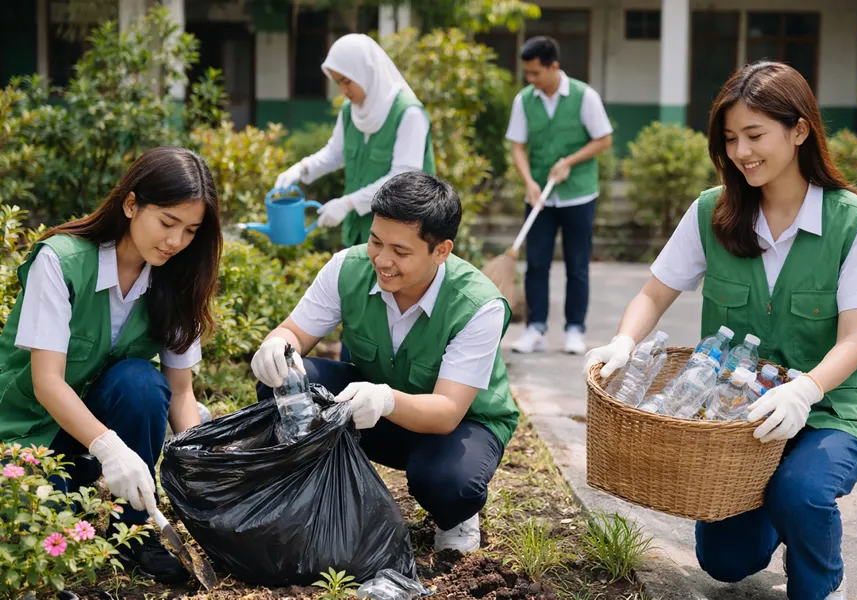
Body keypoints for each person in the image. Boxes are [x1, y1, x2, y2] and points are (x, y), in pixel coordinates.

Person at [583, 61, 857, 600]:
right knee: (725, 561)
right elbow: (654, 294)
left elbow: (855, 340)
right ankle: (783, 510)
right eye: (730, 139)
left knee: (803, 492)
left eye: (755, 135)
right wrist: (624, 342)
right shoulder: (714, 212)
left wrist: (804, 390)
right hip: (738, 413)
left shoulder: (853, 222)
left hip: (834, 404)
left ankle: (822, 578)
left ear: (799, 131)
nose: (741, 152)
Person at [251, 171, 519, 554]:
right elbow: (294, 332)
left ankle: (457, 515)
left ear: (441, 251)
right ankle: (318, 490)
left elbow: (446, 412)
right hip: (373, 407)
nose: (382, 259)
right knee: (283, 381)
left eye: (401, 251)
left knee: (449, 483)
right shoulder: (348, 269)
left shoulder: (478, 305)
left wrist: (386, 400)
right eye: (376, 241)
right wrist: (277, 345)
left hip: (459, 425)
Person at [0, 146, 223, 583]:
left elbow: (180, 391)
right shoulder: (61, 261)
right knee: (43, 532)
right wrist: (110, 448)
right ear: (131, 204)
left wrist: (201, 469)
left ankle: (134, 532)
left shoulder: (178, 278)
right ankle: (78, 479)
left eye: (190, 231)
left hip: (92, 427)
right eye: (167, 223)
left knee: (141, 382)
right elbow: (47, 382)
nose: (176, 242)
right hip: (28, 427)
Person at [275, 33, 436, 249]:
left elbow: (403, 178)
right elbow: (335, 153)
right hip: (359, 233)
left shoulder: (408, 114)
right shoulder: (350, 111)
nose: (343, 90)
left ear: (366, 72)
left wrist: (348, 203)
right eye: (338, 82)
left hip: (402, 240)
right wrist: (301, 169)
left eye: (347, 81)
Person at [506, 36, 614, 356]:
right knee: (536, 263)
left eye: (535, 72)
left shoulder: (584, 96)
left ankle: (574, 330)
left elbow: (603, 139)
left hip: (579, 195)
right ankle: (535, 329)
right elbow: (518, 147)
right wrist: (528, 181)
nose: (530, 79)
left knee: (577, 265)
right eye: (527, 73)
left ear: (554, 66)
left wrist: (569, 162)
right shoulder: (524, 100)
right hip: (539, 197)